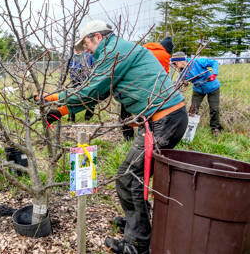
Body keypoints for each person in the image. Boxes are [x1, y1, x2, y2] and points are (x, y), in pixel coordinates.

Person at [44, 20, 187, 254]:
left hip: (164, 120)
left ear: (98, 37)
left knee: (129, 178)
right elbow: (98, 93)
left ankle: (138, 243)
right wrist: (61, 111)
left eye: (86, 44)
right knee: (134, 177)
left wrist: (55, 98)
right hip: (161, 119)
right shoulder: (116, 50)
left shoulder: (113, 52)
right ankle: (137, 223)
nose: (86, 50)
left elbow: (92, 89)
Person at [121, 36, 175, 140]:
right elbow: (164, 76)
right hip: (147, 88)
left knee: (125, 111)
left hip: (128, 84)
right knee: (148, 112)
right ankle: (145, 135)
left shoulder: (144, 48)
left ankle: (127, 136)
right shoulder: (165, 55)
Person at [170, 51, 222, 136]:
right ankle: (189, 129)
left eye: (175, 64)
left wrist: (214, 74)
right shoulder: (182, 71)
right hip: (198, 89)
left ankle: (215, 128)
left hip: (212, 87)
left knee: (214, 109)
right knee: (193, 109)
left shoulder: (197, 62)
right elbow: (178, 82)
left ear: (180, 61)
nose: (174, 66)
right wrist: (183, 83)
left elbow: (214, 62)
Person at [68, 49, 94, 122]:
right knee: (72, 97)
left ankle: (88, 117)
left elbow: (93, 65)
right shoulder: (71, 56)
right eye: (75, 48)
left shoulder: (88, 55)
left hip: (87, 79)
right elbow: (70, 68)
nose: (77, 49)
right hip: (75, 80)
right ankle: (71, 117)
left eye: (78, 47)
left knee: (90, 96)